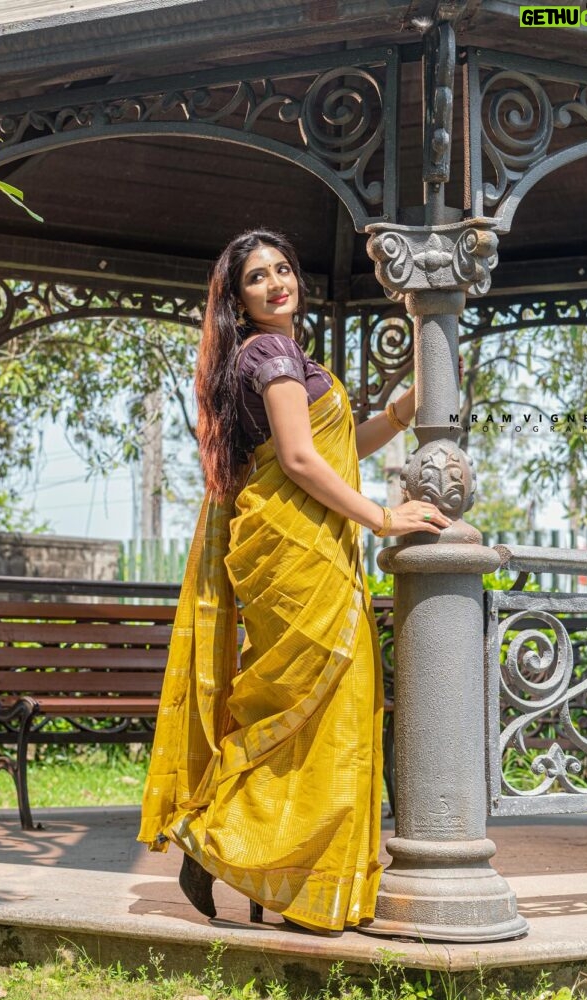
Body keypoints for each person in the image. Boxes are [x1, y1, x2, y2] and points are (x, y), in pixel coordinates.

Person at [137, 227, 451, 935]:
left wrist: (400, 413)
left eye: (283, 268)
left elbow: (336, 448)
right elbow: (303, 461)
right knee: (319, 710)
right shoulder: (272, 352)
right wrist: (381, 518)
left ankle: (286, 876)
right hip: (297, 549)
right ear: (237, 299)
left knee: (313, 715)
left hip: (293, 543)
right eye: (257, 277)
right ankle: (220, 839)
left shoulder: (272, 357)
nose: (277, 282)